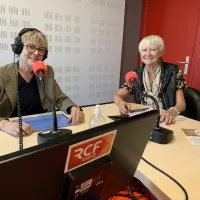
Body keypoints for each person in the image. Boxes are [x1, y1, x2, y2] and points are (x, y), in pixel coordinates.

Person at [0, 28, 84, 136]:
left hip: (42, 130)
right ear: (18, 48)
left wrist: (72, 108)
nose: (36, 53)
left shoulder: (46, 71)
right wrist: (4, 124)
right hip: (13, 134)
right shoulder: (2, 74)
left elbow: (60, 98)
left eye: (41, 50)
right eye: (31, 47)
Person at [114, 35, 187, 125]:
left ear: (161, 52)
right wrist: (121, 103)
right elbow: (117, 95)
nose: (148, 54)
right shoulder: (136, 73)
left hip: (165, 119)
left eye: (153, 50)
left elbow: (181, 104)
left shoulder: (173, 71)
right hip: (144, 119)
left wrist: (171, 111)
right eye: (144, 50)